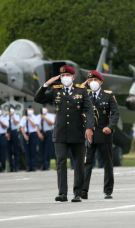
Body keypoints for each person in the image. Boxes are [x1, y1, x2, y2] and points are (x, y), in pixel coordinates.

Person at [34, 65, 94, 202]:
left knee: (78, 164)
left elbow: (89, 110)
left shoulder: (81, 90)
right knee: (61, 162)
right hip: (60, 133)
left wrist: (89, 128)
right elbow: (38, 99)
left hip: (77, 132)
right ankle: (62, 193)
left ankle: (77, 193)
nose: (64, 78)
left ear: (73, 77)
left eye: (67, 75)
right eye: (62, 76)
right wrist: (46, 84)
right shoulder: (55, 90)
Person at [82, 70, 119, 200]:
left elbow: (115, 113)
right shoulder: (84, 95)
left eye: (95, 80)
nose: (93, 82)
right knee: (87, 163)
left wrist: (110, 127)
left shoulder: (108, 96)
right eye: (90, 80)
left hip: (104, 134)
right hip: (89, 135)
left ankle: (108, 190)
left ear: (101, 82)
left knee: (107, 163)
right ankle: (83, 190)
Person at [20, 105, 41, 172]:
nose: (29, 110)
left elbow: (35, 125)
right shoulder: (24, 118)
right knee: (27, 151)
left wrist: (29, 119)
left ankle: (34, 166)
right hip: (26, 135)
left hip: (33, 134)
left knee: (33, 151)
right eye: (28, 109)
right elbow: (22, 127)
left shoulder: (35, 117)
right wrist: (24, 135)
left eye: (30, 109)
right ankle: (28, 167)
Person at [39, 104, 55, 170]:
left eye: (45, 107)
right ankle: (42, 166)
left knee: (47, 150)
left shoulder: (50, 116)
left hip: (48, 132)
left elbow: (51, 123)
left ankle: (47, 165)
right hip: (41, 133)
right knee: (41, 150)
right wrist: (39, 133)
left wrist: (44, 118)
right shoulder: (38, 116)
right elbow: (36, 125)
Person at [6, 105, 20, 172]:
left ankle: (16, 166)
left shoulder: (16, 116)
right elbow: (5, 125)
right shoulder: (6, 117)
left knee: (15, 150)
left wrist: (12, 116)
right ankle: (11, 167)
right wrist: (6, 133)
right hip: (8, 132)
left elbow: (16, 122)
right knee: (9, 151)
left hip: (14, 132)